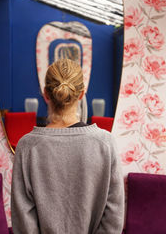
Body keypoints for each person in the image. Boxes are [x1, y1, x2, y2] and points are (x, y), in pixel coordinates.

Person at [11, 58, 124, 234]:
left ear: (45, 94)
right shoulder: (105, 143)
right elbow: (114, 218)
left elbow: (24, 223)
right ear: (81, 94)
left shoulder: (27, 147)